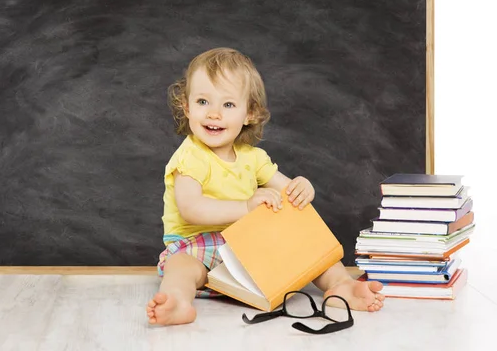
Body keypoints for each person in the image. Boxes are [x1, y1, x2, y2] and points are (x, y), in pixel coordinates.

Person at [146, 47, 384, 325]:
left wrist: (302, 187)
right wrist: (246, 207)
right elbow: (191, 209)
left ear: (250, 113)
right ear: (186, 107)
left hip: (248, 246)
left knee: (305, 245)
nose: (213, 114)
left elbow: (288, 193)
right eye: (202, 101)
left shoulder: (252, 157)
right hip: (196, 246)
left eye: (228, 105)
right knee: (182, 268)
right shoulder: (190, 157)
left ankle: (341, 284)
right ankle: (177, 301)